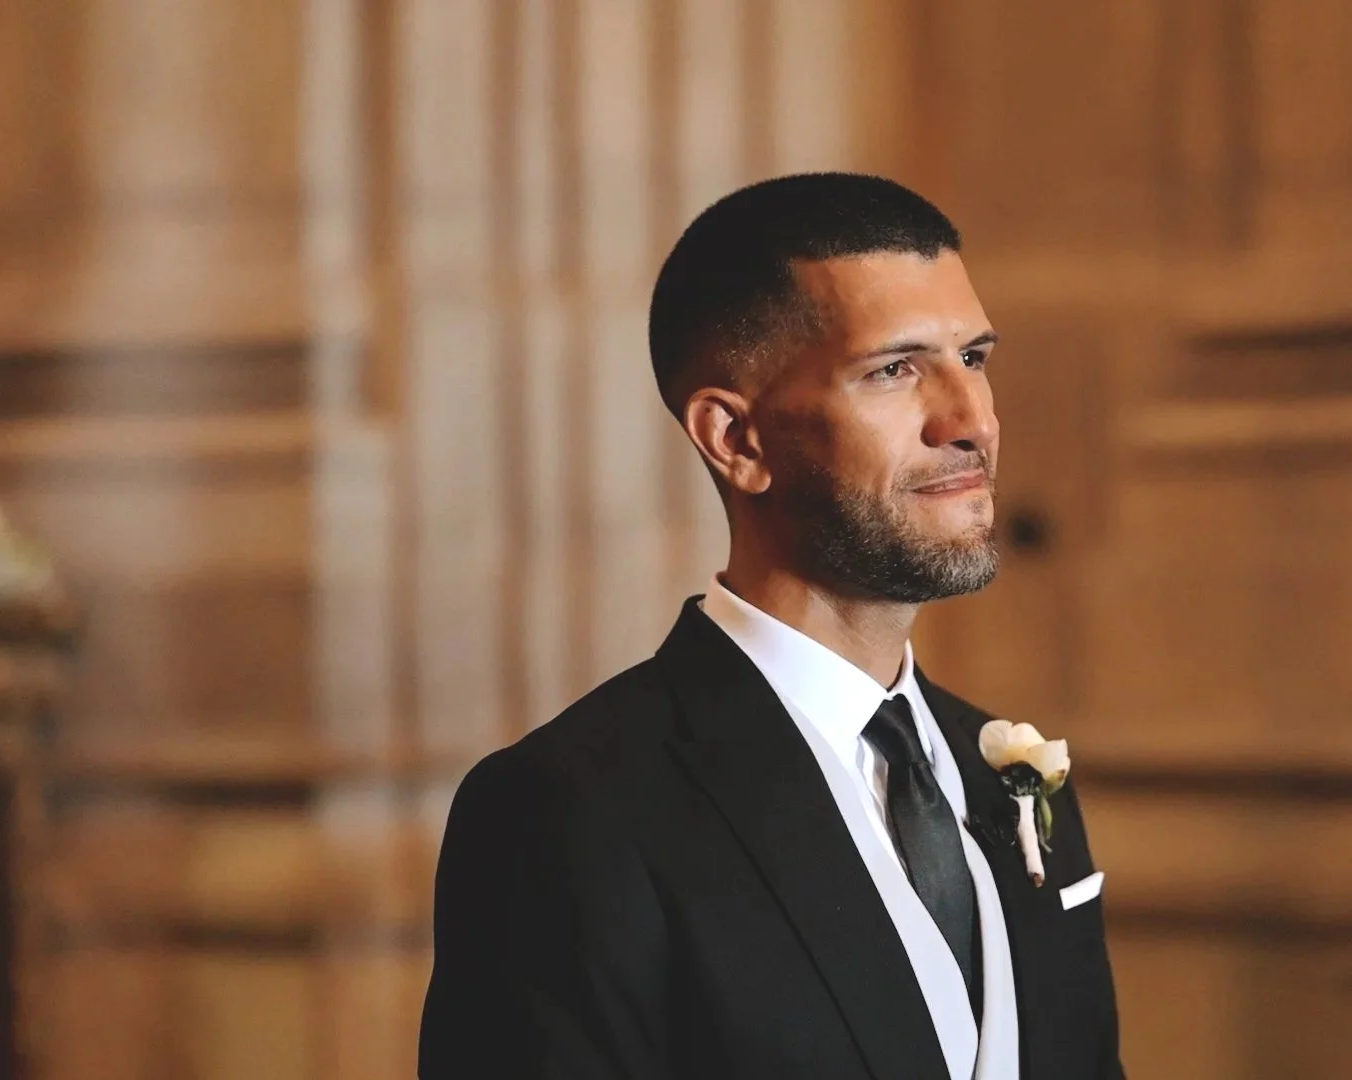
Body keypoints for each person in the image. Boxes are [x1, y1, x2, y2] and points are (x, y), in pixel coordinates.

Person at [419, 172, 1125, 1080]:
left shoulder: (1009, 779)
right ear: (735, 440)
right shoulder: (570, 812)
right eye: (895, 370)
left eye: (974, 358)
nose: (971, 421)